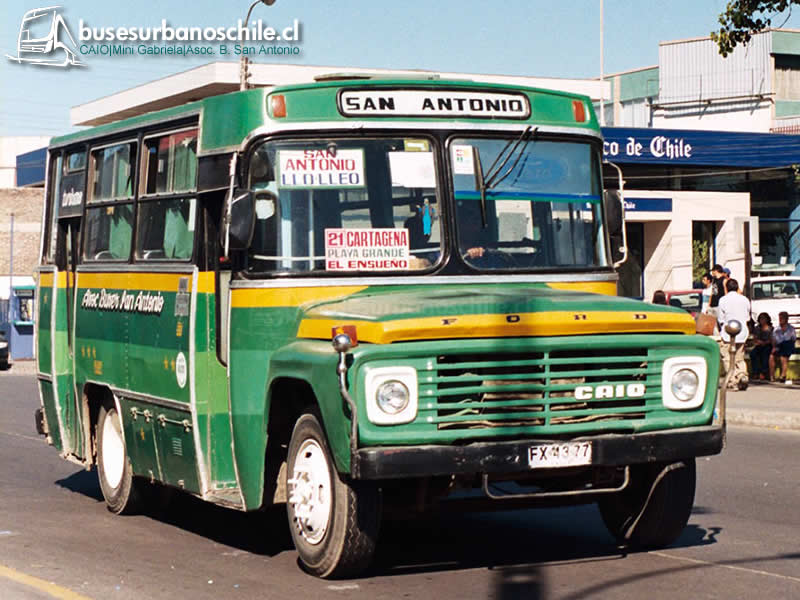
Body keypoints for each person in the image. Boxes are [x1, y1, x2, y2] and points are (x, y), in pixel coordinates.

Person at [717, 277, 751, 390]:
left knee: (727, 357)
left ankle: (732, 380)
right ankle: (742, 375)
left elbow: (721, 319)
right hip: (742, 332)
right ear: (737, 288)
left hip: (728, 333)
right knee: (739, 357)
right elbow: (747, 317)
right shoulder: (745, 299)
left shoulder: (723, 300)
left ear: (726, 288)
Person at [769, 311, 797, 383]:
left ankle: (783, 375)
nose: (781, 320)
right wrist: (774, 346)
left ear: (787, 319)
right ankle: (772, 376)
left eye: (783, 318)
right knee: (771, 356)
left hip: (788, 345)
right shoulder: (776, 329)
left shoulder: (791, 329)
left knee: (783, 356)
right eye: (780, 318)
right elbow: (773, 340)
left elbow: (793, 339)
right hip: (779, 346)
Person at [749, 312, 773, 381]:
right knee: (753, 354)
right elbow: (755, 338)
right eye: (761, 319)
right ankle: (755, 372)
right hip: (759, 345)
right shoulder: (757, 328)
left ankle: (763, 372)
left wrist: (765, 342)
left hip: (768, 345)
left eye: (764, 318)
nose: (762, 320)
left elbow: (772, 339)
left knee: (765, 354)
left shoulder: (771, 328)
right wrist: (759, 342)